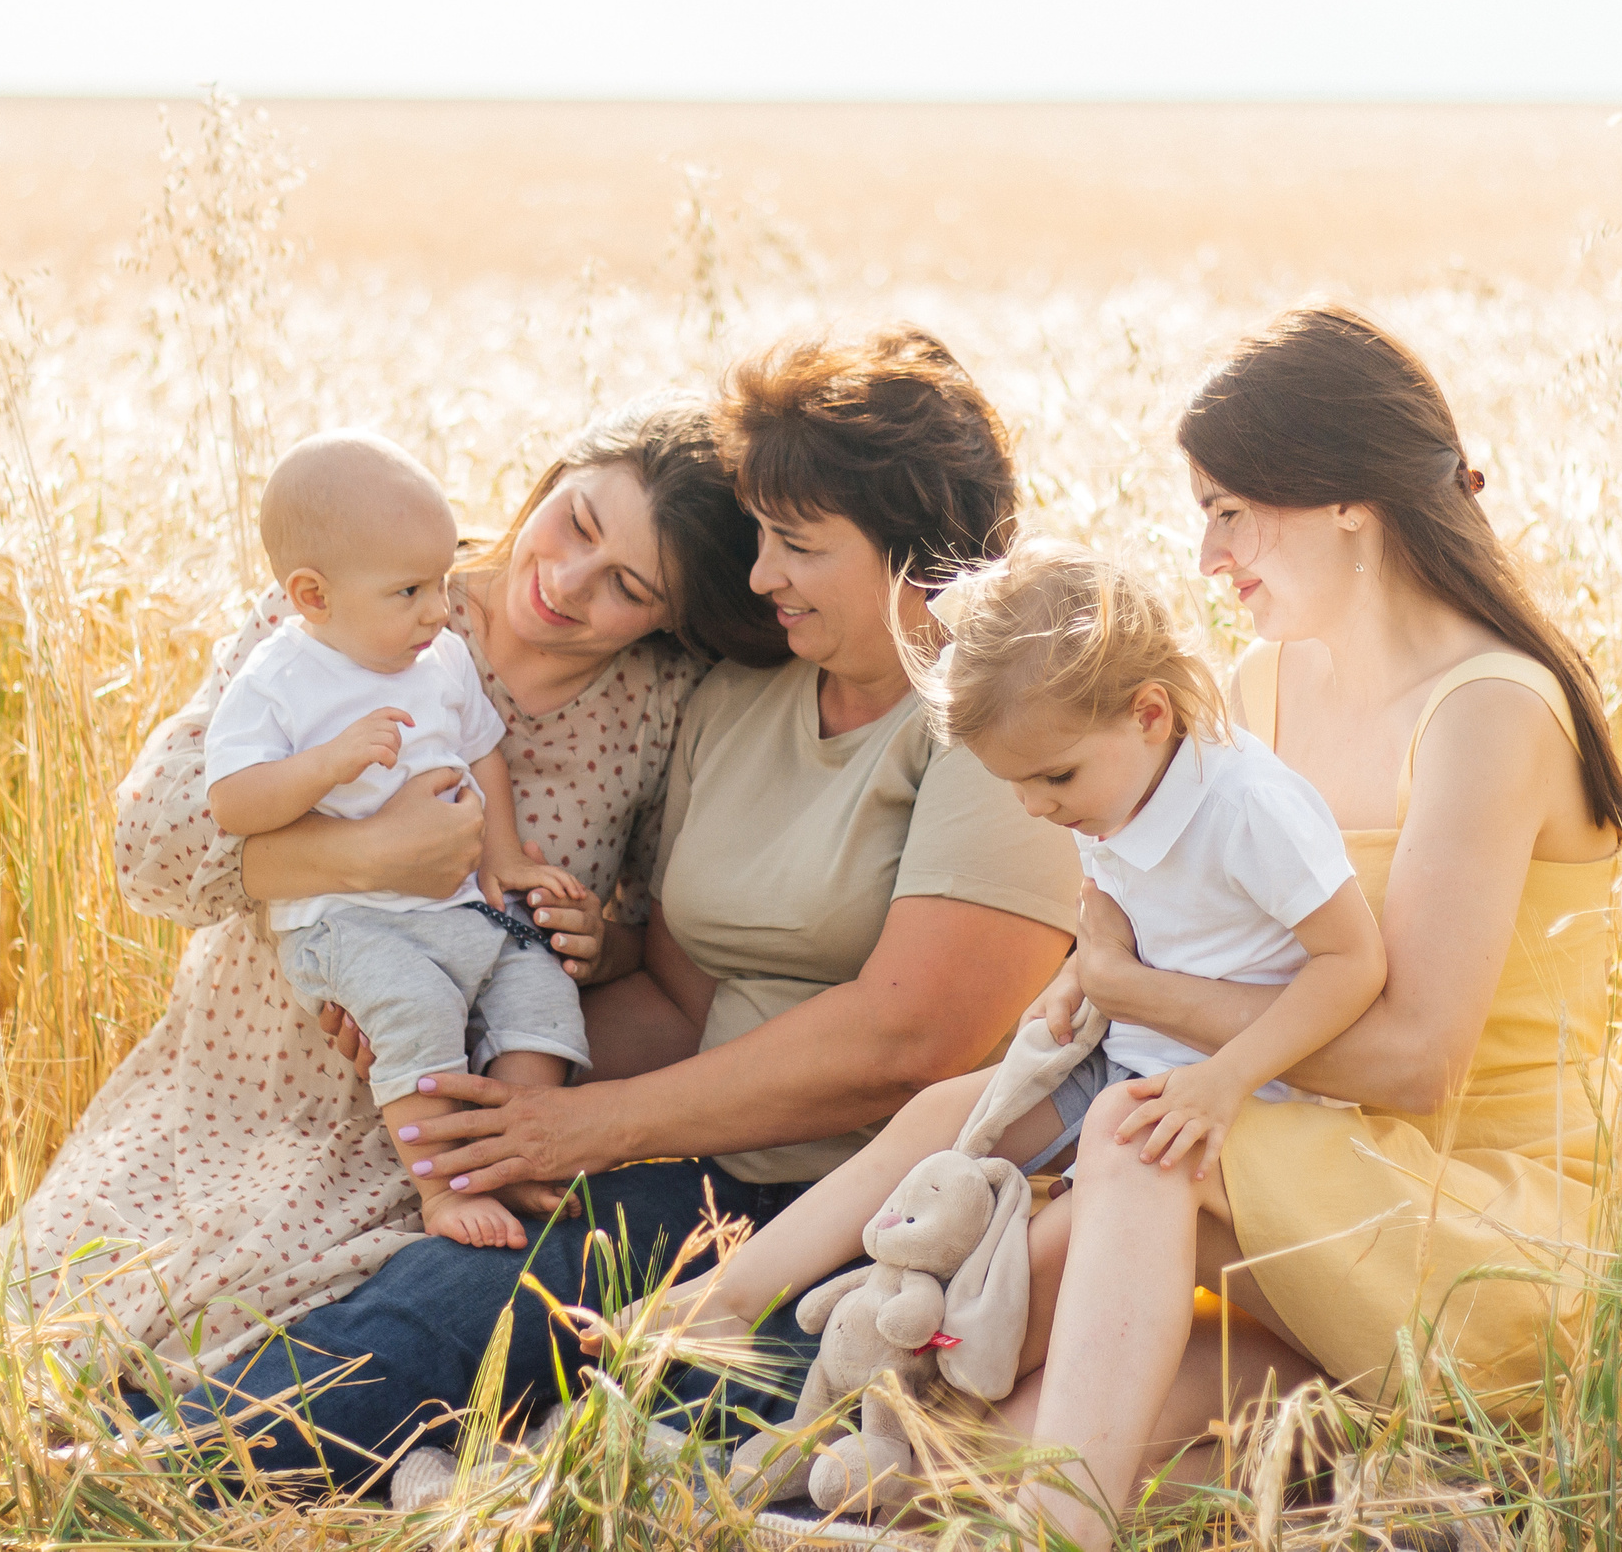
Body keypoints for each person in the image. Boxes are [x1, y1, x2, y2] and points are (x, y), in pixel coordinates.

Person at [168, 325, 1083, 1485]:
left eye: (798, 547)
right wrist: (475, 1064)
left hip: (858, 1195)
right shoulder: (744, 695)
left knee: (587, 1380)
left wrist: (583, 1128)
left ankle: (185, 1471)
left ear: (918, 557)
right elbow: (681, 991)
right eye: (759, 540)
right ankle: (162, 1460)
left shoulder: (998, 720)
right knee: (429, 1302)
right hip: (678, 1156)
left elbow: (915, 1038)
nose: (759, 579)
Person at [1008, 306, 1622, 1549]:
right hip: (1296, 1196)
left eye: (1231, 509)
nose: (1205, 555)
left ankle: (1061, 1530)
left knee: (1141, 1145)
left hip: (1475, 1226)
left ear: (1346, 498)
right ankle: (1356, 1452)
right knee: (935, 1467)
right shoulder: (1258, 686)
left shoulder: (1488, 711)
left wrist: (1142, 996)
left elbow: (1415, 1062)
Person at [0, 390, 780, 1389]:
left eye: (627, 585)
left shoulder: (661, 708)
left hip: (444, 1135)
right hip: (239, 1092)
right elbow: (149, 849)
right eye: (575, 521)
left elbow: (647, 938)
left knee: (280, 1403)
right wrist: (362, 861)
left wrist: (595, 942)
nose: (570, 580)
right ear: (552, 479)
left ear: (671, 618)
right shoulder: (356, 600)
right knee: (32, 1369)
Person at [638, 539, 1386, 1340]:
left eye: (1052, 779)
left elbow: (1354, 963)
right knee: (937, 1118)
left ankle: (889, 1403)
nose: (1035, 806)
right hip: (1130, 1057)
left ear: (1150, 713)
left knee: (1025, 1267)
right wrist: (1070, 985)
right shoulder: (1109, 781)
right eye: (1015, 785)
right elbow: (1120, 899)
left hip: (1230, 1094)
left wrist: (1229, 1077)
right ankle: (733, 1294)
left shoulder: (1248, 809)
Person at [205, 431, 592, 1248]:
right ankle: (443, 1188)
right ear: (312, 596)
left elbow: (482, 746)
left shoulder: (442, 657)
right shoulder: (279, 680)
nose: (438, 609)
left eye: (444, 581)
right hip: (346, 923)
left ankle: (510, 1151)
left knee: (541, 990)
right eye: (410, 589)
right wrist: (326, 764)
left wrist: (509, 857)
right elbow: (234, 802)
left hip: (457, 909)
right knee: (418, 1009)